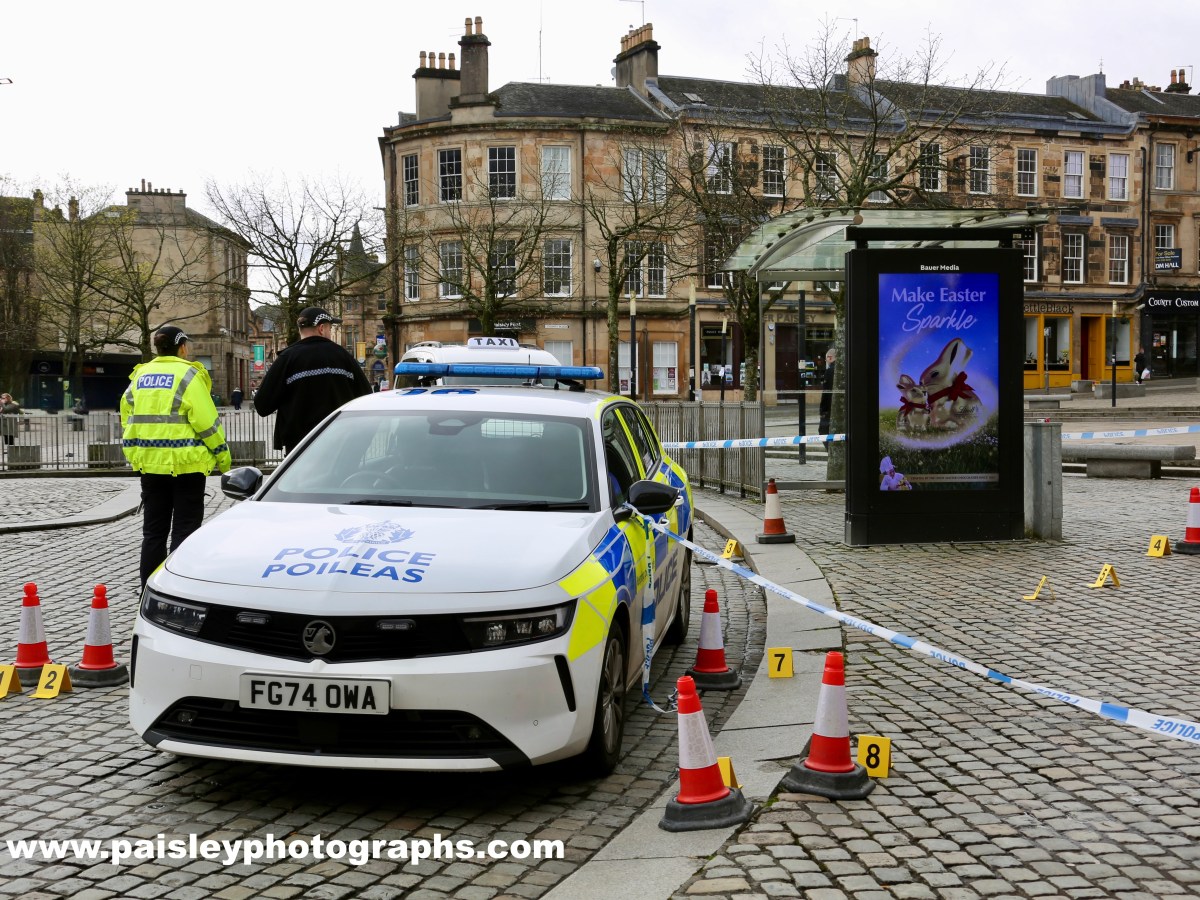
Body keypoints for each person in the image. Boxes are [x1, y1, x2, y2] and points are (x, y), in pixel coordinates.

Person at [121, 325, 232, 587]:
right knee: (185, 530)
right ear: (182, 347)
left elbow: (127, 416)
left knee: (153, 533)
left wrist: (138, 453)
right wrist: (223, 458)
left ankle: (148, 589)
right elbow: (206, 423)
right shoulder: (189, 375)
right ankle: (177, 589)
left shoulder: (140, 375)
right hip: (187, 466)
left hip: (150, 465)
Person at [252, 307, 372, 454]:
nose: (329, 333)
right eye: (329, 328)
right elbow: (367, 398)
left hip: (300, 449)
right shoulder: (343, 356)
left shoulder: (286, 359)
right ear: (321, 328)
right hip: (341, 445)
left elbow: (262, 405)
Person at [818, 347, 836, 435]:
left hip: (829, 408)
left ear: (829, 357)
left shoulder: (829, 371)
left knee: (823, 432)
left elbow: (826, 392)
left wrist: (822, 410)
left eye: (826, 359)